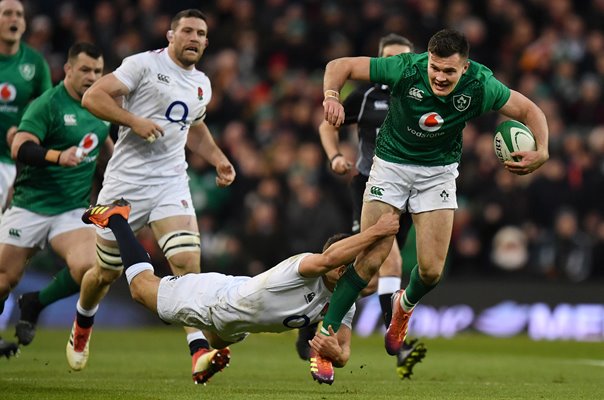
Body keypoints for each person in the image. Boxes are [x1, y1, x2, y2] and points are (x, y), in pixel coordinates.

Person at [310, 29, 549, 384]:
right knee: (370, 259)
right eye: (435, 68)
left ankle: (402, 307)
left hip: (437, 175)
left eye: (449, 72)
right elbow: (339, 65)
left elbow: (529, 110)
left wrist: (543, 150)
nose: (439, 76)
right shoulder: (406, 68)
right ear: (428, 59)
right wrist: (331, 96)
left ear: (465, 68)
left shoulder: (482, 85)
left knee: (432, 271)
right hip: (389, 166)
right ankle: (324, 340)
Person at [69, 9, 236, 381]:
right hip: (125, 186)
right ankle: (83, 320)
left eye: (201, 33)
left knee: (187, 264)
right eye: (187, 31)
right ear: (170, 35)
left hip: (170, 184)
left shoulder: (202, 84)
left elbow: (193, 126)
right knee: (105, 273)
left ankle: (198, 352)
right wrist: (133, 121)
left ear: (207, 42)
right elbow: (93, 97)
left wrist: (219, 158)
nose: (194, 38)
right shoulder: (143, 65)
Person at [80, 198, 399, 385]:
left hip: (239, 323)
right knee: (140, 288)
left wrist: (334, 352)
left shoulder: (345, 301)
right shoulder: (306, 265)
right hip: (215, 298)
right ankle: (118, 220)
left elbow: (344, 354)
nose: (344, 271)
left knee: (219, 340)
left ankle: (205, 355)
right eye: (342, 264)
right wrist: (377, 232)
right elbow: (330, 258)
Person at [296, 33, 426, 379]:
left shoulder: (423, 95)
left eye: (403, 59)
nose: (396, 66)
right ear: (380, 61)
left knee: (367, 275)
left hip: (412, 193)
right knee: (389, 260)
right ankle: (395, 341)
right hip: (371, 187)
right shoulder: (367, 95)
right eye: (390, 59)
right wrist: (335, 156)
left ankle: (313, 316)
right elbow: (327, 124)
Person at [0, 43, 108, 357]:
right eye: (85, 70)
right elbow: (21, 146)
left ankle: (35, 302)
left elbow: (106, 147)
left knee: (93, 268)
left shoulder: (102, 106)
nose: (92, 77)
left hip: (72, 211)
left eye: (97, 71)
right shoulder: (47, 104)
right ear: (68, 70)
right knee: (5, 279)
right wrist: (57, 156)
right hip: (30, 205)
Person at [0, 0, 52, 358]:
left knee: (5, 256)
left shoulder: (34, 63)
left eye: (19, 14)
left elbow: (47, 109)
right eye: (6, 13)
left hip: (12, 167)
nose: (14, 19)